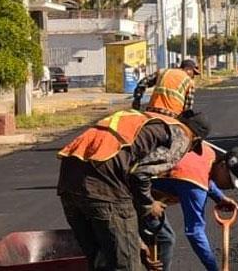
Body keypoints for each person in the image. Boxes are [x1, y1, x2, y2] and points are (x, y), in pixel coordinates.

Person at [57, 108, 211, 271]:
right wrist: (149, 204)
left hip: (69, 183)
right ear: (196, 140)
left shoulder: (149, 120)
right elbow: (140, 174)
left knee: (100, 260)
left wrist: (136, 243)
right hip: (104, 186)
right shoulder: (182, 135)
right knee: (126, 266)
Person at [145, 146, 238, 271]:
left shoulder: (208, 153)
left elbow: (205, 174)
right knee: (165, 238)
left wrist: (219, 197)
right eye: (230, 181)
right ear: (223, 165)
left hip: (142, 178)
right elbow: (195, 232)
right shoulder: (195, 188)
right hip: (132, 189)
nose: (230, 187)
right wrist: (213, 269)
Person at [134, 58, 200, 117]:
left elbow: (143, 83)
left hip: (152, 110)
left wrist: (137, 100)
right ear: (188, 69)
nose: (193, 76)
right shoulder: (190, 82)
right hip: (173, 114)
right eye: (193, 73)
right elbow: (187, 108)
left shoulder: (163, 72)